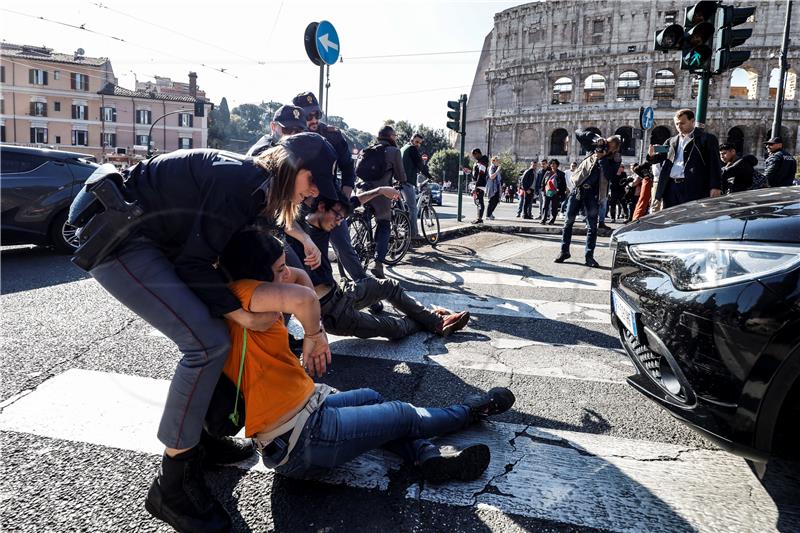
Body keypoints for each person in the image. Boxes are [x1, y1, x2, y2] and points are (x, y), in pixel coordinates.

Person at [68, 133, 339, 532]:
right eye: (313, 182)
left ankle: (204, 439)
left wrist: (299, 290)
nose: (316, 195)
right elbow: (197, 264)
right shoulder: (242, 183)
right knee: (205, 344)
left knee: (217, 329)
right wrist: (245, 316)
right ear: (291, 165)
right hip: (120, 240)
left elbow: (258, 264)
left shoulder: (258, 185)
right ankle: (172, 487)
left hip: (152, 237)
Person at [214, 228, 516, 484]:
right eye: (279, 268)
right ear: (254, 275)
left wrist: (288, 278)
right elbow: (305, 296)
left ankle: (428, 459)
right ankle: (473, 409)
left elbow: (302, 280)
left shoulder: (252, 295)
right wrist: (314, 337)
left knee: (372, 397)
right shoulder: (243, 291)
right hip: (301, 440)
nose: (286, 272)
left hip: (306, 415)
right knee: (402, 414)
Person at [286, 192, 470, 339]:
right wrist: (305, 240)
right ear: (320, 207)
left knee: (389, 286)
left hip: (341, 292)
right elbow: (280, 219)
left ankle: (434, 320)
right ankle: (429, 318)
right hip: (331, 314)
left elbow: (356, 200)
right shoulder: (294, 232)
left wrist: (381, 190)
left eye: (342, 218)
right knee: (395, 328)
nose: (339, 222)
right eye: (337, 216)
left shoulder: (323, 223)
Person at [292, 91, 367, 282]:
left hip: (330, 198)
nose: (314, 119)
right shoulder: (292, 136)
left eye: (317, 114)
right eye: (308, 116)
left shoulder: (332, 135)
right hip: (302, 202)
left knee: (344, 247)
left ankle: (366, 288)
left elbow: (348, 167)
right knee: (308, 252)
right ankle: (314, 296)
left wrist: (343, 198)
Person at [359, 125, 408, 279]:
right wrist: (402, 181)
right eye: (395, 136)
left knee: (366, 217)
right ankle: (378, 264)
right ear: (391, 137)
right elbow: (401, 176)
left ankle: (362, 239)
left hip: (363, 191)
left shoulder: (367, 150)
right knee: (384, 224)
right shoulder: (394, 152)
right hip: (381, 194)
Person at [648, 108, 722, 208]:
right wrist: (651, 155)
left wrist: (715, 186)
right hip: (671, 187)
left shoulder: (707, 139)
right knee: (670, 219)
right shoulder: (671, 141)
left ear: (692, 121)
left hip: (693, 187)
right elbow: (658, 159)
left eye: (682, 123)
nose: (679, 126)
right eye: (677, 124)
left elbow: (715, 164)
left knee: (690, 218)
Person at [555, 132, 608, 268]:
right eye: (598, 149)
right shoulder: (590, 152)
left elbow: (611, 172)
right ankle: (564, 251)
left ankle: (589, 256)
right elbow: (578, 133)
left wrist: (607, 155)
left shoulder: (609, 160)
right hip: (577, 191)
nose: (599, 152)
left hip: (593, 195)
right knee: (568, 223)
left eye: (602, 150)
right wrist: (597, 139)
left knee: (592, 227)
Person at [400, 133, 432, 239]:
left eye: (420, 143)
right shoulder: (412, 149)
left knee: (404, 209)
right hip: (407, 181)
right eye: (416, 141)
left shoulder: (403, 148)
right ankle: (414, 234)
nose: (418, 144)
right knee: (413, 209)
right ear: (412, 139)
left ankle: (403, 229)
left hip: (398, 181)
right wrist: (429, 176)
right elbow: (420, 165)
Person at [541, 159, 567, 225]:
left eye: (554, 164)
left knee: (554, 207)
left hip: (556, 193)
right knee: (545, 206)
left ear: (557, 165)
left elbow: (563, 184)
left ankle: (552, 220)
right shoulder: (547, 173)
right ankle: (543, 219)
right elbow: (543, 182)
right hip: (547, 192)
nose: (552, 165)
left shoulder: (561, 174)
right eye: (551, 163)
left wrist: (561, 192)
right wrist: (543, 190)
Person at [470, 148, 489, 223]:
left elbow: (481, 174)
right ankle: (479, 218)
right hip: (477, 184)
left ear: (478, 153)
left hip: (479, 185)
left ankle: (479, 219)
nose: (474, 157)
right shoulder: (479, 162)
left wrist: (476, 186)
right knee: (477, 201)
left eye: (474, 155)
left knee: (479, 201)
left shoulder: (483, 162)